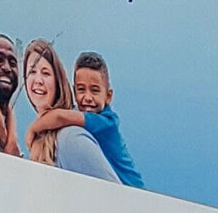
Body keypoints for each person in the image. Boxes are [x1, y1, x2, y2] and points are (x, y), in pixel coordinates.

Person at [28, 50, 142, 187]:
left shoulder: (106, 122)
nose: (87, 98)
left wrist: (33, 129)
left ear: (108, 96)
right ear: (74, 90)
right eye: (81, 90)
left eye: (95, 90)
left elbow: (59, 117)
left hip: (134, 192)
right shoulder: (80, 115)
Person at [21, 39, 118, 179]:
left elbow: (114, 194)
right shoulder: (44, 141)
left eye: (45, 73)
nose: (38, 80)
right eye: (32, 71)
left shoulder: (70, 138)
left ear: (58, 81)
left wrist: (33, 129)